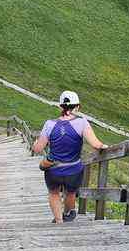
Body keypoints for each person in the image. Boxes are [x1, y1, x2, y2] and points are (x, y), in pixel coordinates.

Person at [32, 91, 108, 223]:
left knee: (54, 193)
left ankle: (59, 221)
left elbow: (38, 149)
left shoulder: (49, 124)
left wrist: (34, 145)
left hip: (53, 169)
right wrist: (104, 147)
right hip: (74, 169)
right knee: (71, 192)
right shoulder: (82, 123)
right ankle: (67, 213)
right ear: (77, 106)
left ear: (61, 106)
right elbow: (96, 144)